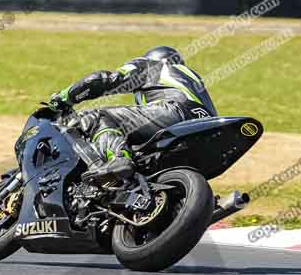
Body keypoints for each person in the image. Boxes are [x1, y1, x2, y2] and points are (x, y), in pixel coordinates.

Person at [48, 46, 217, 182]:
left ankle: (118, 158)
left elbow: (102, 80)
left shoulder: (153, 65)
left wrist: (64, 97)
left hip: (173, 113)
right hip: (208, 131)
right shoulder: (191, 78)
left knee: (97, 117)